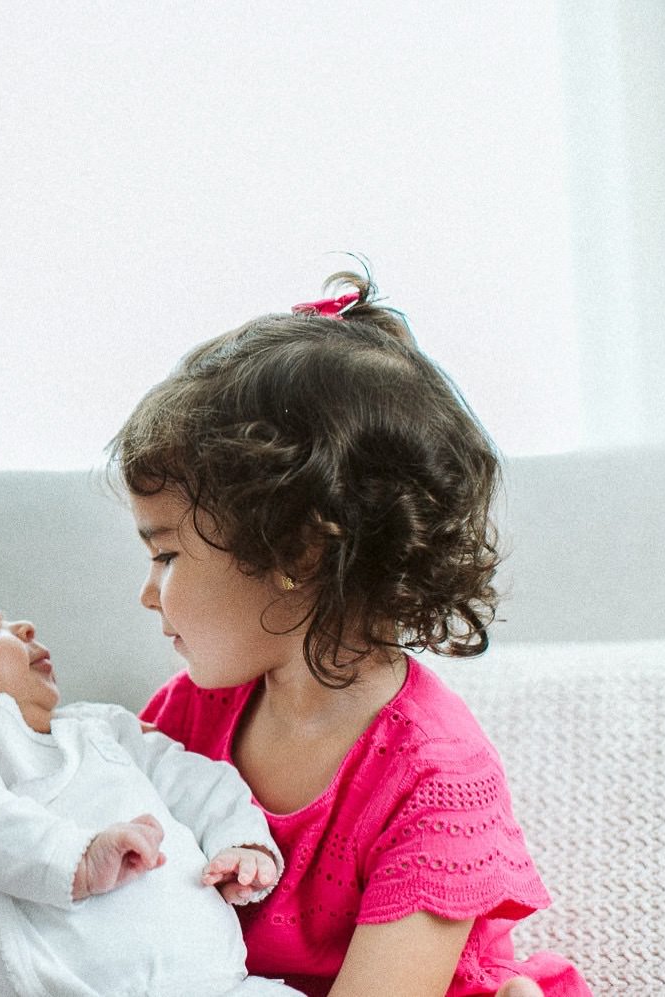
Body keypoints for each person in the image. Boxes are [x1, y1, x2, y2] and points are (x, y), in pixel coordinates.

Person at [109, 270, 590, 996]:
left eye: (167, 553)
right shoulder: (180, 719)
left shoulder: (436, 777)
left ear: (297, 552)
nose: (148, 593)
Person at [0, 572, 303, 997]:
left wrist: (239, 839)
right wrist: (76, 856)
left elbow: (197, 780)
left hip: (220, 984)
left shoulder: (103, 729)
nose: (22, 626)